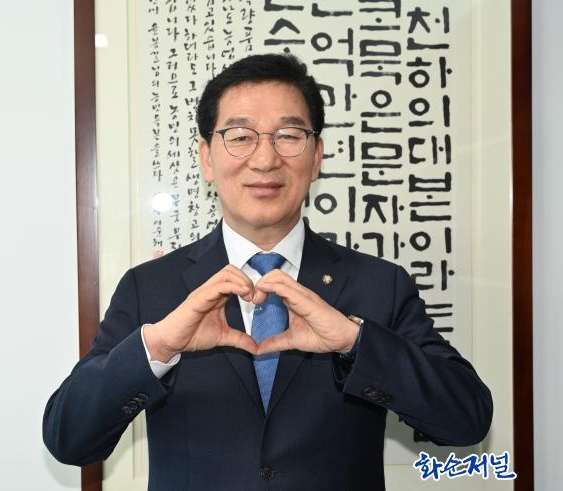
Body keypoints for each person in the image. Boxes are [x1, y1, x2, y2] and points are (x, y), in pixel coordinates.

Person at [44, 53, 492, 490]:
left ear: (316, 157)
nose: (264, 160)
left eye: (288, 135)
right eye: (240, 136)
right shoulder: (150, 287)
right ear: (206, 158)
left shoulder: (380, 284)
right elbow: (69, 438)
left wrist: (354, 343)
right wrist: (159, 347)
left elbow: (466, 420)